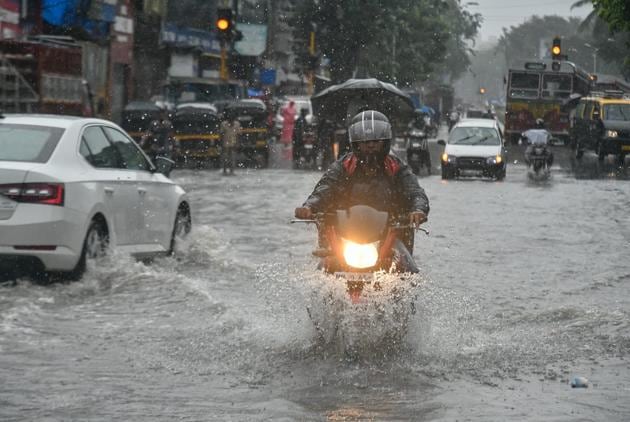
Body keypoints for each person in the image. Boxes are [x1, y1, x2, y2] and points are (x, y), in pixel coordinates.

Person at [294, 110, 429, 254]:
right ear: (356, 144)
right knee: (324, 265)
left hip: (390, 234)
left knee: (408, 269)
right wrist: (309, 206)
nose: (370, 145)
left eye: (376, 141)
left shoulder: (396, 167)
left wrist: (418, 210)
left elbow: (415, 191)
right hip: (346, 234)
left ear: (385, 142)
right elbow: (325, 188)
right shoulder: (343, 166)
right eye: (365, 142)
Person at [220, 110, 241, 175]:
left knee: (232, 158)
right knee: (225, 158)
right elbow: (221, 134)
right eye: (229, 118)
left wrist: (237, 143)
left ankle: (232, 171)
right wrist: (221, 144)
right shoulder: (223, 124)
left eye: (232, 118)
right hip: (225, 143)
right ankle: (224, 171)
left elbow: (238, 134)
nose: (231, 120)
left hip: (233, 142)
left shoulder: (237, 124)